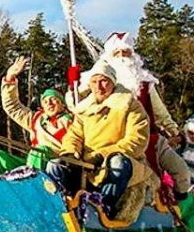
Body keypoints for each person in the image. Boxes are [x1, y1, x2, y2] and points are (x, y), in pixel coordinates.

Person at [70, 33, 184, 187]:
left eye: (126, 52)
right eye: (117, 53)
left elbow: (160, 111)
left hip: (145, 137)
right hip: (107, 136)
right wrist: (73, 86)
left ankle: (183, 202)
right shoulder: (99, 80)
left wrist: (174, 131)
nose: (122, 56)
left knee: (181, 170)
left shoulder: (144, 81)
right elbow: (75, 105)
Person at [45, 61, 150, 218]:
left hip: (120, 162)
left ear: (113, 82)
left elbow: (136, 141)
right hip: (85, 165)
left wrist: (102, 155)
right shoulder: (84, 109)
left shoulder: (130, 106)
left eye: (103, 81)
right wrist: (70, 153)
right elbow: (74, 135)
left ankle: (101, 208)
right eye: (94, 82)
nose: (98, 87)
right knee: (54, 164)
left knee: (117, 164)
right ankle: (60, 209)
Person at [0, 55, 72, 172]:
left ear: (62, 103)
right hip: (32, 162)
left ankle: (32, 184)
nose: (49, 103)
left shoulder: (72, 120)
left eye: (53, 99)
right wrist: (10, 77)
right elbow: (13, 107)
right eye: (45, 101)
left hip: (56, 165)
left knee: (40, 151)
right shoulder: (36, 119)